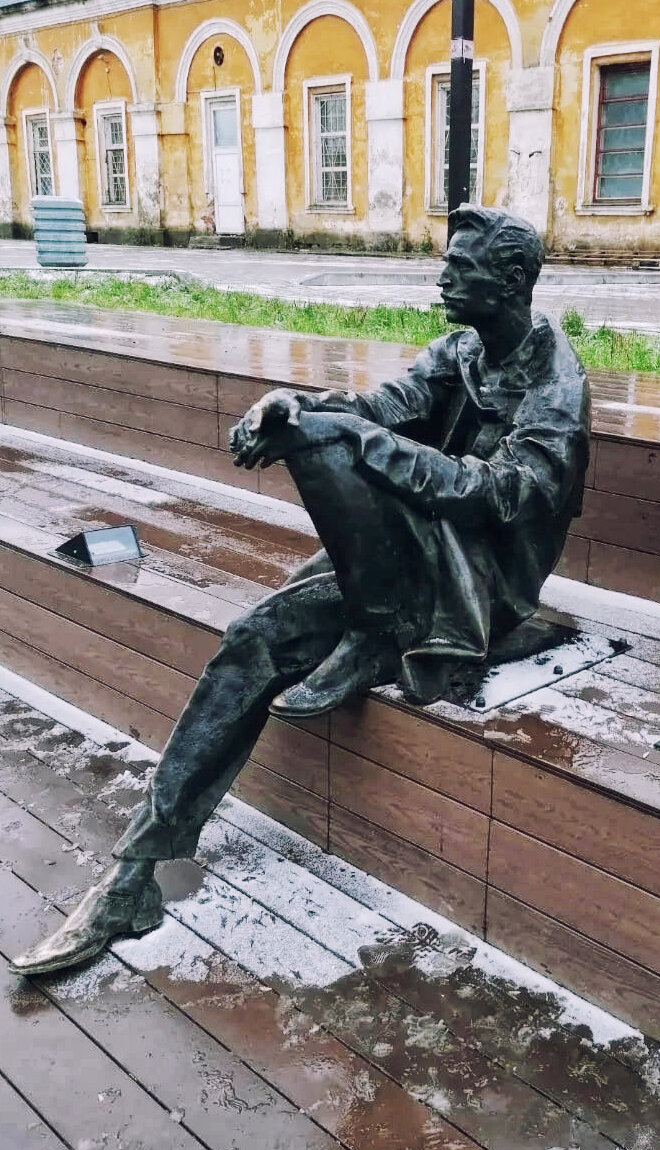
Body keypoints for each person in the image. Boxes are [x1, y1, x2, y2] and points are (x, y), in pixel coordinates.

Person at [9, 205, 590, 977]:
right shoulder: (461, 352)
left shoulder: (557, 386)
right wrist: (298, 403)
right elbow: (378, 409)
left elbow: (504, 496)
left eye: (462, 266)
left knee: (338, 446)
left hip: (480, 589)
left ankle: (376, 634)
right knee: (251, 637)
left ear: (512, 280)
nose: (443, 277)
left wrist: (356, 439)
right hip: (408, 560)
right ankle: (132, 877)